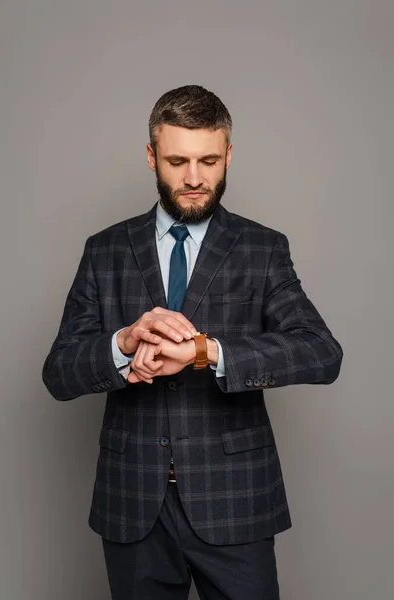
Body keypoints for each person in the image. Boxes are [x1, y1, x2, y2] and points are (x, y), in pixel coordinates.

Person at [42, 84, 343, 600]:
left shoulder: (262, 248)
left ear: (229, 153)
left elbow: (321, 351)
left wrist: (209, 352)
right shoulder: (105, 250)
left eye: (209, 159)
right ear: (151, 155)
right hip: (132, 502)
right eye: (178, 160)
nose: (195, 178)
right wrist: (121, 345)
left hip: (237, 501)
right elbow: (58, 372)